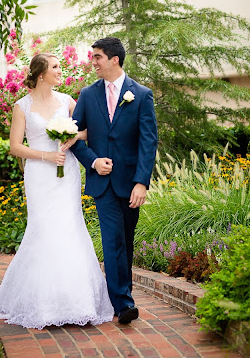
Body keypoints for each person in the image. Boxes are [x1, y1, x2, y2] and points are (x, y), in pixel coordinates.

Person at [0, 53, 114, 329]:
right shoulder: (22, 106)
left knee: (69, 227)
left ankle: (77, 301)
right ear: (41, 74)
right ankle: (42, 302)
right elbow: (15, 147)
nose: (60, 70)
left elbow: (91, 130)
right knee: (43, 229)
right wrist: (46, 156)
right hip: (40, 174)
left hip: (66, 173)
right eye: (55, 67)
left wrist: (73, 135)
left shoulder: (67, 101)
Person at [69, 37, 158, 325]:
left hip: (130, 183)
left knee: (126, 242)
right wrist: (93, 160)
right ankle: (123, 304)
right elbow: (72, 136)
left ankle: (123, 296)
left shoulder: (141, 95)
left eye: (97, 57)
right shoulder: (87, 95)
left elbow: (148, 141)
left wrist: (141, 183)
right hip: (102, 183)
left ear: (114, 60)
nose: (92, 62)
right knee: (112, 240)